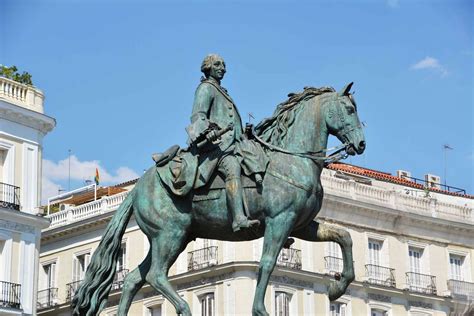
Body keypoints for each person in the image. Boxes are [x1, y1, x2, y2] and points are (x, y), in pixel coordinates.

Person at [186, 54, 262, 232]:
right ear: (208, 67)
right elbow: (198, 115)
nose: (223, 68)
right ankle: (238, 219)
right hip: (217, 147)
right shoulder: (205, 88)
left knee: (260, 159)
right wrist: (207, 131)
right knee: (232, 168)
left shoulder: (221, 91)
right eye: (218, 65)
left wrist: (244, 133)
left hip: (234, 143)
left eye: (224, 65)